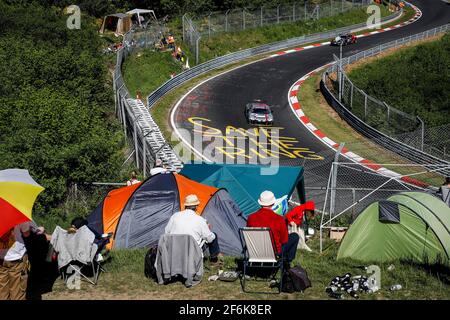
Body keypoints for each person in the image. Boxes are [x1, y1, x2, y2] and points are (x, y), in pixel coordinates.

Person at [247, 191, 299, 267]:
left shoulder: (251, 218)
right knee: (294, 236)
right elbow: (284, 240)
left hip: (255, 251)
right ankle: (287, 261)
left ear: (260, 203)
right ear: (273, 203)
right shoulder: (279, 219)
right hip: (274, 253)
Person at [164, 194, 221, 263]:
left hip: (174, 250)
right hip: (192, 253)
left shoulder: (175, 216)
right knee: (213, 236)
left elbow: (166, 232)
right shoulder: (200, 220)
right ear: (196, 206)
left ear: (185, 205)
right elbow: (209, 238)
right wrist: (207, 229)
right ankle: (214, 260)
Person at [0, 221, 45, 300]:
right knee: (17, 293)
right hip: (17, 258)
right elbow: (26, 233)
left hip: (1, 259)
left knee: (2, 293)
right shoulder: (18, 215)